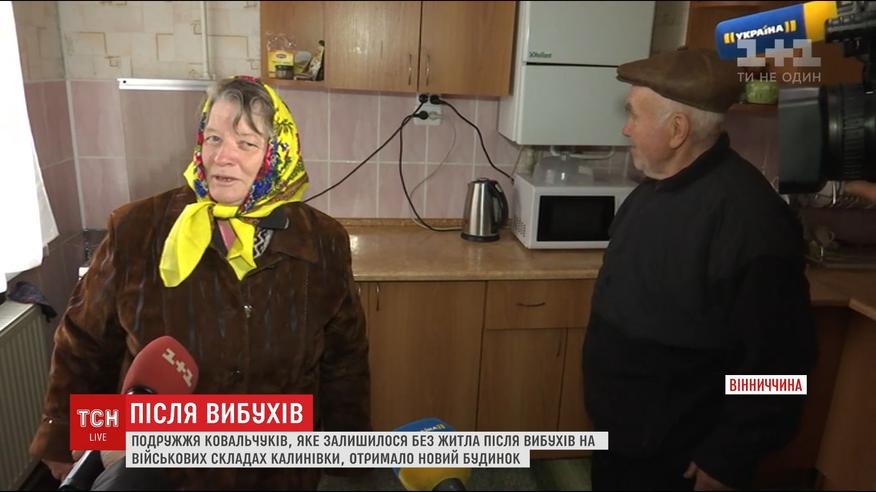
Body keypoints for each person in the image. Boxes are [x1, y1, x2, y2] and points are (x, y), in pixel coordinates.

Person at [29, 76, 370, 490]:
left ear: (278, 154)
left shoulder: (323, 241)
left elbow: (345, 359)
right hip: (165, 474)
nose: (223, 157)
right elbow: (84, 343)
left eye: (246, 143)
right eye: (214, 139)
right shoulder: (137, 229)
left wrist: (346, 456)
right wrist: (64, 438)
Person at [583, 48, 817, 491]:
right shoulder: (653, 191)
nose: (626, 128)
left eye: (633, 115)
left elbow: (781, 362)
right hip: (624, 434)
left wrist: (729, 455)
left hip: (680, 456)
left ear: (677, 129)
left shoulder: (752, 222)